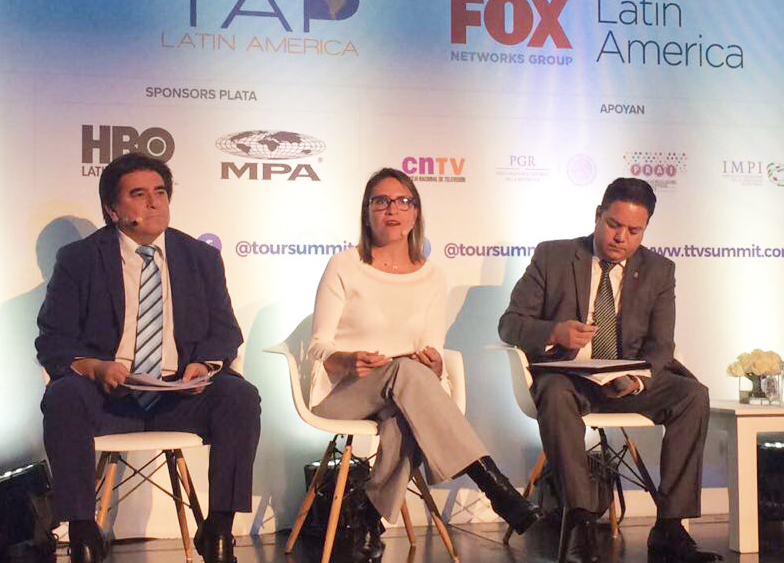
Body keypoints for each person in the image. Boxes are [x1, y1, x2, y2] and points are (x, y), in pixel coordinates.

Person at [308, 167, 543, 561]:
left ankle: (367, 519)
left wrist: (434, 366)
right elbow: (318, 345)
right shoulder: (344, 265)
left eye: (403, 201)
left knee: (405, 412)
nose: (392, 209)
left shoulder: (432, 276)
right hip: (346, 391)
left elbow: (432, 351)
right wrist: (347, 359)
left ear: (415, 213)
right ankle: (496, 487)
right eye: (381, 201)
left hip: (405, 392)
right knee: (405, 374)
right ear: (367, 212)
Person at [36, 153, 261, 563]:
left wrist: (204, 365)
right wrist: (95, 367)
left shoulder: (200, 257)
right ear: (112, 209)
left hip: (181, 393)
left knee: (240, 396)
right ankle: (83, 531)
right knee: (63, 397)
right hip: (108, 394)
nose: (155, 202)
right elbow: (53, 339)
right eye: (138, 194)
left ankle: (219, 528)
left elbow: (225, 332)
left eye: (160, 192)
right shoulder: (79, 259)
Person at [498, 177, 721, 563]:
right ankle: (580, 521)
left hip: (625, 380)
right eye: (614, 225)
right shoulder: (553, 256)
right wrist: (555, 331)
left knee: (693, 395)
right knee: (553, 392)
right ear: (598, 215)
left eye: (634, 231)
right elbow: (509, 324)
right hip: (569, 378)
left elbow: (661, 346)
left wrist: (635, 379)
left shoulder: (659, 270)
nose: (621, 237)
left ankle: (670, 528)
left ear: (645, 229)